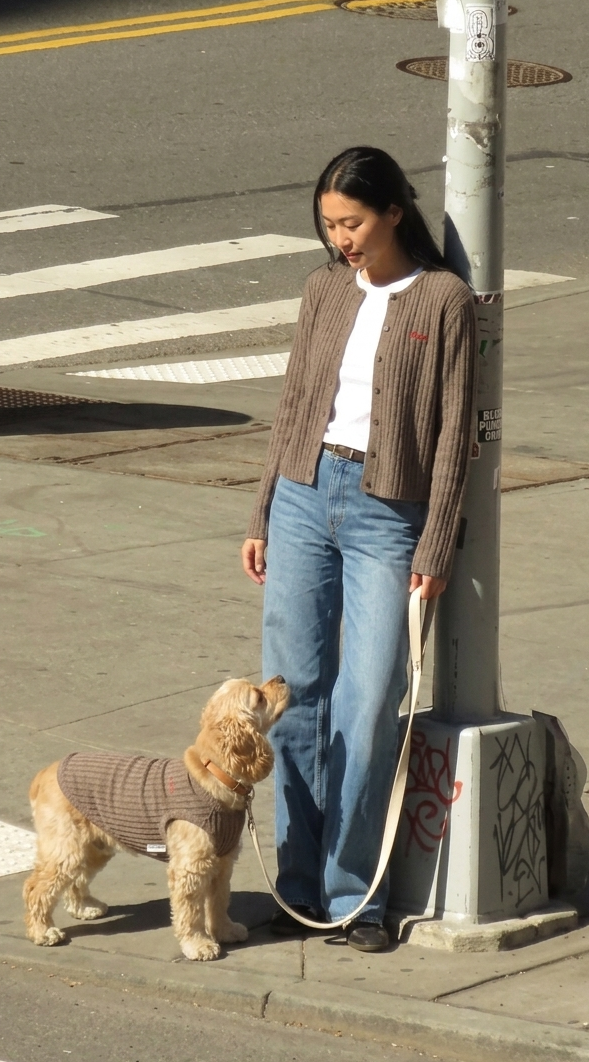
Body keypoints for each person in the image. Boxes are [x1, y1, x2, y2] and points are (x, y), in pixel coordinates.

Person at [241, 146, 477, 952]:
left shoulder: (443, 299)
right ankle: (299, 889)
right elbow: (295, 399)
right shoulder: (324, 290)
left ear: (393, 214)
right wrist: (263, 511)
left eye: (352, 222)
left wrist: (438, 538)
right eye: (329, 224)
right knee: (293, 695)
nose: (340, 238)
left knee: (369, 703)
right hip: (305, 496)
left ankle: (355, 899)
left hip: (387, 514)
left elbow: (454, 435)